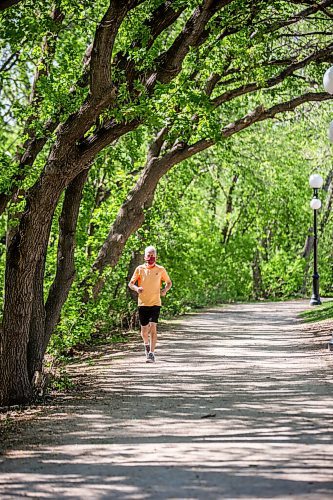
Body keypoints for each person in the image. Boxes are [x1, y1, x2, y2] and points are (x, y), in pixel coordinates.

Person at [128, 245, 172, 363]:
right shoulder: (139, 269)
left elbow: (168, 282)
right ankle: (146, 345)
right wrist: (137, 289)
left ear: (156, 257)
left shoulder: (160, 269)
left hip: (155, 303)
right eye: (149, 255)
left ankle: (152, 353)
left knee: (153, 327)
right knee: (144, 330)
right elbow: (130, 284)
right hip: (142, 303)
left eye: (153, 255)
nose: (151, 257)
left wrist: (164, 290)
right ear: (145, 256)